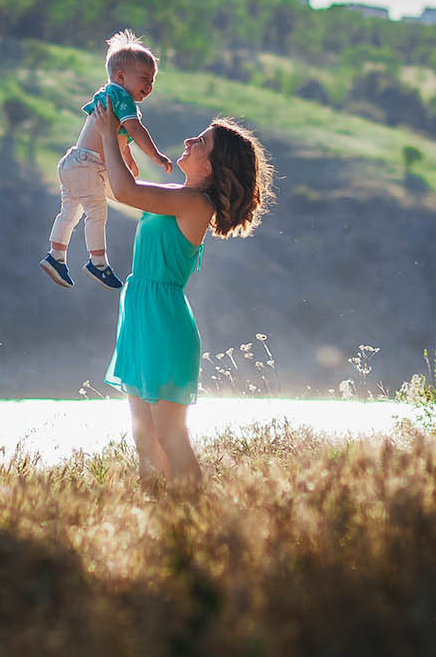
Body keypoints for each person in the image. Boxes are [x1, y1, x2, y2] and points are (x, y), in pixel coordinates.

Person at [89, 100, 274, 491]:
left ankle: (194, 511)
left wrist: (108, 132)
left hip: (163, 320)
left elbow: (124, 190)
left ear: (212, 166)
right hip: (141, 313)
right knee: (144, 436)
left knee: (169, 434)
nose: (190, 141)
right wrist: (117, 139)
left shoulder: (194, 203)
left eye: (201, 142)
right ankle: (157, 512)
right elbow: (115, 188)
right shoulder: (176, 195)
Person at [43, 29, 173, 289]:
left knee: (71, 211)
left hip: (74, 162)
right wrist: (156, 156)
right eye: (144, 79)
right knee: (96, 212)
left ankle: (56, 255)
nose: (149, 87)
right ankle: (98, 263)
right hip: (89, 165)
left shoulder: (109, 96)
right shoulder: (121, 97)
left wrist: (128, 159)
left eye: (152, 81)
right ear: (121, 76)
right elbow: (135, 129)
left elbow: (117, 136)